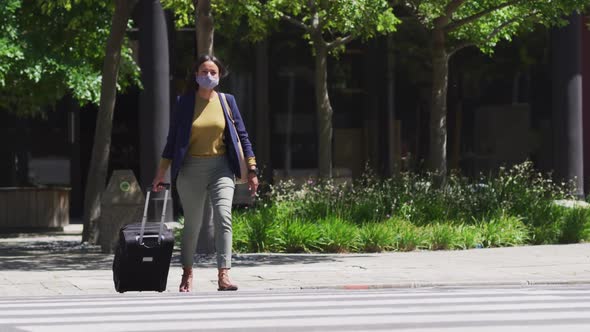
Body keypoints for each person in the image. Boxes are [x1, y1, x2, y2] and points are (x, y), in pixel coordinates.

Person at [152, 54, 259, 292]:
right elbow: (172, 142)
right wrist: (161, 173)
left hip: (221, 167)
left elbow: (243, 136)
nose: (208, 76)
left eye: (213, 72)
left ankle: (224, 274)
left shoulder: (227, 101)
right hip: (191, 168)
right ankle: (187, 272)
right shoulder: (184, 102)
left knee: (224, 217)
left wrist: (252, 169)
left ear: (219, 76)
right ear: (196, 75)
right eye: (204, 72)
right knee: (192, 224)